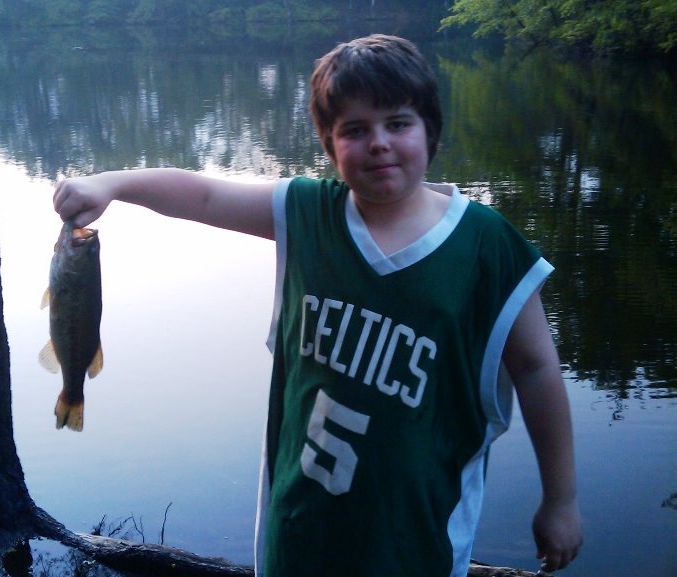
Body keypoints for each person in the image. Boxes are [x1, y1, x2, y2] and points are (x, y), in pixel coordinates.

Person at [54, 34, 582, 577]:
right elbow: (204, 195)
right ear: (329, 147)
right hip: (300, 531)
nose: (378, 142)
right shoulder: (306, 214)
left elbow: (537, 369)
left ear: (431, 131)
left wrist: (560, 499)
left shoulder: (488, 246)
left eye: (397, 123)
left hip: (416, 540)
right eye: (354, 129)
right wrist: (111, 183)